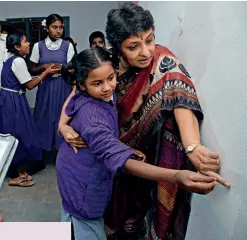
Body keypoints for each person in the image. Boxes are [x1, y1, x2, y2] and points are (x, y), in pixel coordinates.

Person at [58, 2, 231, 240]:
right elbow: (77, 93)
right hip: (103, 155)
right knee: (94, 211)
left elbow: (176, 88)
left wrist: (193, 145)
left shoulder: (161, 60)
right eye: (134, 46)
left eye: (149, 40)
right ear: (117, 47)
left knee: (128, 209)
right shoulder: (106, 66)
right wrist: (62, 126)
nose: (146, 52)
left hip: (131, 155)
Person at [0, 31, 60, 187]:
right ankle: (13, 176)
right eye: (25, 41)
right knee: (18, 134)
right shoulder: (18, 61)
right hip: (13, 101)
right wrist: (46, 73)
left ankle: (16, 171)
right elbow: (29, 85)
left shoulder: (9, 59)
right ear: (17, 46)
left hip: (7, 99)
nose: (28, 43)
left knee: (12, 133)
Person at [29, 14, 75, 165]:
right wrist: (43, 68)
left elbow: (73, 69)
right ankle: (43, 153)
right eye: (55, 27)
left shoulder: (67, 46)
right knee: (43, 117)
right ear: (47, 28)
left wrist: (64, 69)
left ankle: (63, 153)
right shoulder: (38, 46)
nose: (58, 31)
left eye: (61, 27)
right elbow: (31, 69)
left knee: (62, 117)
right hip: (46, 87)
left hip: (63, 86)